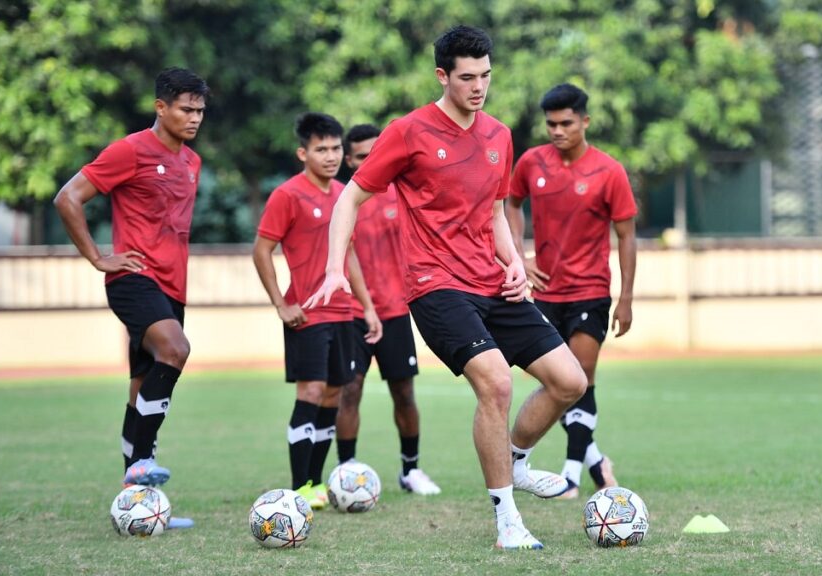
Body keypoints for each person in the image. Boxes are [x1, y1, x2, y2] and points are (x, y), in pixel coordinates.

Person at [303, 25, 588, 550]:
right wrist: (334, 268)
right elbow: (349, 199)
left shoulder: (499, 135)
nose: (478, 87)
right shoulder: (409, 132)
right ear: (443, 76)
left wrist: (515, 264)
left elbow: (496, 212)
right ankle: (507, 520)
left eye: (485, 76)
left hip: (491, 281)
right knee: (497, 383)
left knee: (570, 381)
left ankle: (518, 460)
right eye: (467, 77)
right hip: (434, 285)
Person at [53, 67, 209, 529]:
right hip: (134, 279)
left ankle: (136, 503)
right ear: (161, 107)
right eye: (186, 109)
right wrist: (99, 257)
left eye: (200, 110)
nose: (195, 118)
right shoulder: (131, 150)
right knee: (176, 349)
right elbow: (68, 198)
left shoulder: (192, 162)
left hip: (172, 286)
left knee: (142, 385)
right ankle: (142, 461)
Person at [506, 83, 637, 499]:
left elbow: (627, 235)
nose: (558, 131)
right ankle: (596, 458)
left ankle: (571, 476)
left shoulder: (608, 171)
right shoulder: (531, 162)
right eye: (551, 124)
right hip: (545, 295)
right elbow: (510, 204)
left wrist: (627, 298)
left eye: (566, 123)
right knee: (556, 383)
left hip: (591, 292)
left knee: (581, 379)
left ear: (585, 122)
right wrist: (518, 257)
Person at [252, 113, 382, 510]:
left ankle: (315, 484)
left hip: (344, 314)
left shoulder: (345, 194)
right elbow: (261, 250)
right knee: (309, 392)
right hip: (306, 314)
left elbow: (351, 256)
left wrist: (368, 307)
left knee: (332, 396)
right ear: (302, 153)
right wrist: (281, 303)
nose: (330, 156)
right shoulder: (288, 195)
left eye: (335, 148)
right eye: (321, 149)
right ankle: (298, 487)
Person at [334, 124, 441, 496]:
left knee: (404, 393)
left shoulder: (403, 194)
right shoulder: (347, 199)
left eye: (375, 153)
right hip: (352, 312)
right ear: (350, 161)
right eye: (362, 156)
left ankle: (410, 470)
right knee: (349, 391)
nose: (371, 161)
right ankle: (346, 471)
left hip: (396, 310)